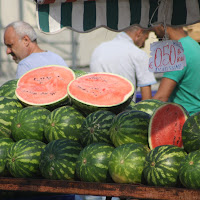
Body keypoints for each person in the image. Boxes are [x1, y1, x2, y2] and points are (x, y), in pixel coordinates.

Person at [90, 26, 157, 102]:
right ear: (139, 33)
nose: (143, 45)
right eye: (145, 39)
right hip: (125, 111)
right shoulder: (138, 54)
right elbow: (147, 100)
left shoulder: (99, 49)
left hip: (98, 108)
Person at [152, 25, 200, 116]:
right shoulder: (194, 45)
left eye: (153, 24)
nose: (152, 29)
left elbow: (161, 97)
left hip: (185, 120)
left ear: (162, 25)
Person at [4, 21, 68, 78]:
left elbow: (21, 90)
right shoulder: (57, 58)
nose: (8, 51)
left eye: (10, 45)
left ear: (26, 40)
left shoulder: (25, 65)